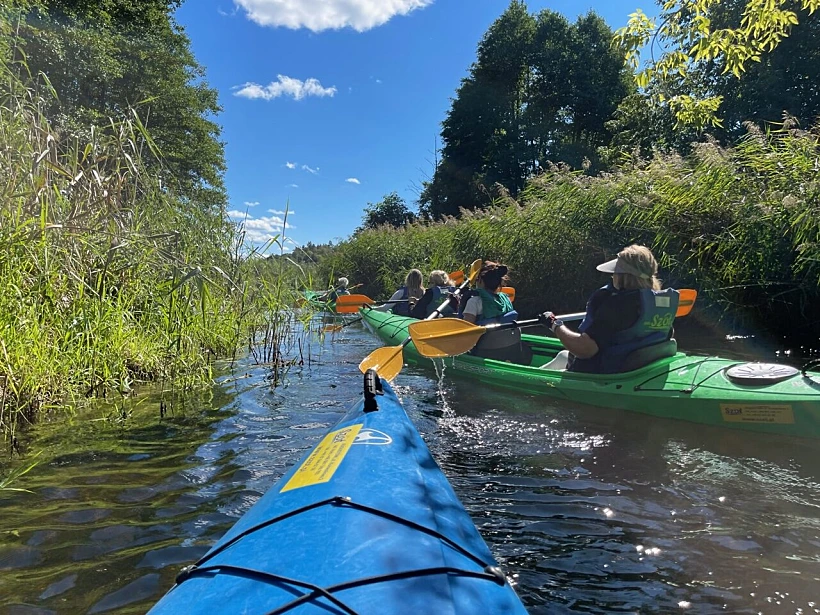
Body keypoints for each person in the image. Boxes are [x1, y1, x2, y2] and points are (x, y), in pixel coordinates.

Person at [539, 244, 679, 373]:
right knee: (563, 356)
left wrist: (554, 324)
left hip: (607, 374)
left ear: (622, 276)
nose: (612, 277)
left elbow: (586, 349)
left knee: (565, 359)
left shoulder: (616, 305)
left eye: (615, 273)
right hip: (644, 368)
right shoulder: (658, 302)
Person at [460, 262, 532, 364]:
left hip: (486, 351)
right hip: (511, 350)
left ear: (480, 281)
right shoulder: (506, 299)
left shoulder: (474, 301)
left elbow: (466, 332)